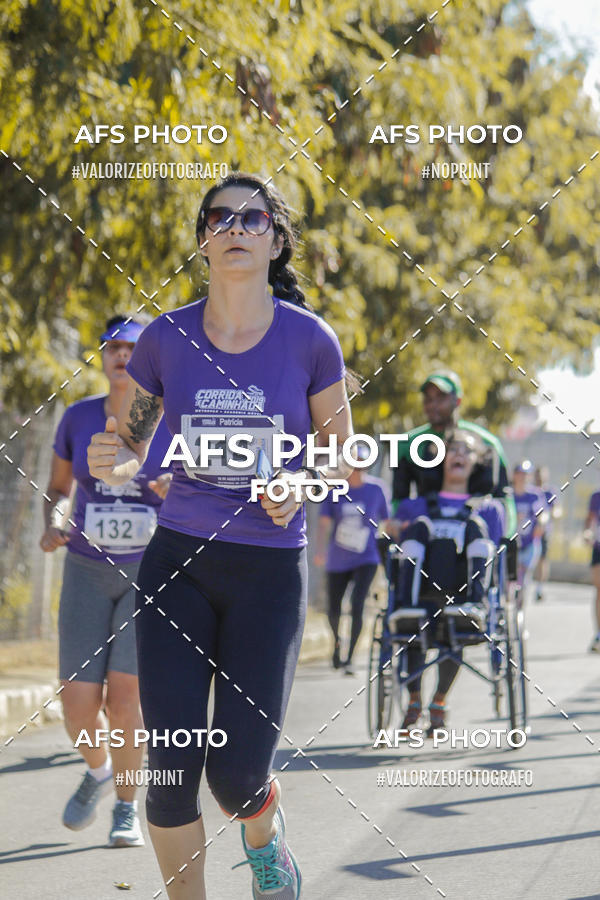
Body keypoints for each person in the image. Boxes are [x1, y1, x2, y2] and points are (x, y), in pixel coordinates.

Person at [87, 173, 353, 900]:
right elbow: (133, 442)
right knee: (171, 776)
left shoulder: (310, 341)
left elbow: (340, 453)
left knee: (235, 778)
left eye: (254, 217)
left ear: (275, 239)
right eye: (220, 217)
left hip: (268, 572)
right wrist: (114, 454)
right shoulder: (166, 337)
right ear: (204, 239)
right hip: (179, 564)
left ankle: (266, 840)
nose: (236, 226)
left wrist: (301, 482)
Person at [40, 315, 172, 847]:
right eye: (113, 347)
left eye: (132, 348)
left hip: (147, 571)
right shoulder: (77, 418)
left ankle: (125, 805)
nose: (122, 356)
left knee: (125, 703)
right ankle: (97, 771)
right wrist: (55, 520)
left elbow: (203, 489)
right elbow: (58, 489)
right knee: (76, 705)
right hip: (86, 570)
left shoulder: (172, 423)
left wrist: (173, 491)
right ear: (102, 357)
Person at [388, 430, 504, 735]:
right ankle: (414, 699)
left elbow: (497, 551)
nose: (459, 454)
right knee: (420, 528)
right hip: (421, 591)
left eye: (466, 450)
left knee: (474, 528)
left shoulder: (489, 510)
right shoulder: (414, 508)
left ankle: (438, 700)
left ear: (477, 462)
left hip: (462, 592)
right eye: (452, 449)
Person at [391, 370, 516, 535]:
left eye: (441, 398)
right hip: (428, 529)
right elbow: (398, 500)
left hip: (473, 528)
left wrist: (505, 538)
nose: (433, 404)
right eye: (428, 399)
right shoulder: (407, 444)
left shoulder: (487, 443)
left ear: (457, 401)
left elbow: (504, 498)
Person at [314, 446, 389, 675]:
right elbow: (324, 523)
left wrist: (385, 551)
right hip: (338, 558)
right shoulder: (335, 488)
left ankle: (350, 658)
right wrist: (320, 550)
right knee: (334, 609)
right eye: (354, 462)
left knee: (357, 605)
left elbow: (385, 522)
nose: (358, 467)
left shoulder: (377, 489)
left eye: (362, 462)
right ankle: (337, 643)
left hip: (366, 557)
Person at [512, 460, 548, 604]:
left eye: (526, 474)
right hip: (512, 543)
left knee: (523, 578)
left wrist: (542, 523)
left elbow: (543, 513)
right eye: (520, 474)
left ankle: (519, 607)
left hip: (529, 542)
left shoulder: (535, 495)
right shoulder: (508, 494)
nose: (523, 477)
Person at [533, 465, 559, 603]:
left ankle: (539, 587)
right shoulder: (530, 491)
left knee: (542, 559)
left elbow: (555, 510)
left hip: (543, 531)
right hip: (529, 532)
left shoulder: (550, 492)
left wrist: (549, 517)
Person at [583, 489, 600, 652]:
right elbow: (590, 519)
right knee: (599, 590)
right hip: (599, 547)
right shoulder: (596, 496)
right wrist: (587, 532)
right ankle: (599, 634)